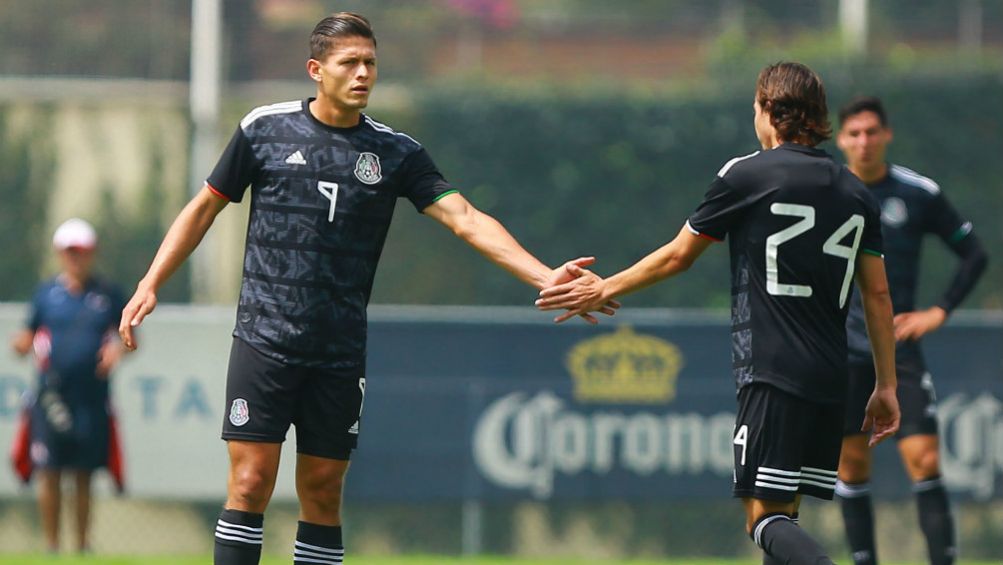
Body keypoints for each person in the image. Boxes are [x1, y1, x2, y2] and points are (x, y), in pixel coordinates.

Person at [117, 12, 615, 565]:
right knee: (251, 482)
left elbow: (466, 217)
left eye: (370, 62)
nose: (363, 73)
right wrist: (150, 281)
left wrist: (545, 276)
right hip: (264, 338)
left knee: (324, 492)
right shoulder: (264, 128)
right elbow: (205, 205)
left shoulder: (397, 152)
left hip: (339, 349)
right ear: (316, 69)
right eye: (349, 62)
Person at [536, 62, 901, 565]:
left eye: (755, 108)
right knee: (786, 515)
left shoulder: (746, 173)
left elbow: (679, 255)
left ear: (771, 112)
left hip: (773, 371)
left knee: (763, 519)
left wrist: (606, 287)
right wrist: (886, 385)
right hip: (831, 375)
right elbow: (878, 297)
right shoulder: (857, 194)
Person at [833, 96, 988, 565]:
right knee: (852, 467)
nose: (863, 142)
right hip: (841, 350)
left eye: (871, 132)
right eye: (854, 133)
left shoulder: (916, 193)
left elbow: (974, 254)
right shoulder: (825, 193)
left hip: (899, 348)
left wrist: (938, 311)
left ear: (886, 136)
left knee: (925, 460)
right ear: (840, 140)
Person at [10, 218, 126, 553]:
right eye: (70, 252)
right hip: (51, 398)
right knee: (49, 471)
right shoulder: (46, 294)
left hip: (91, 397)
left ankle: (82, 545)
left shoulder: (107, 294)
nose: (76, 258)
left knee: (84, 472)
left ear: (93, 253)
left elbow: (128, 337)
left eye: (83, 252)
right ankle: (51, 545)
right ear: (61, 254)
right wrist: (20, 344)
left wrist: (118, 349)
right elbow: (30, 332)